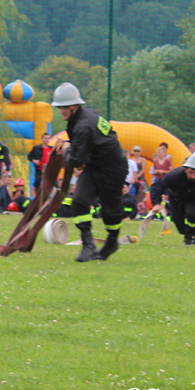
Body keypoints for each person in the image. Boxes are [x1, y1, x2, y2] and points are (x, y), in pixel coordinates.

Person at [51, 82, 128, 262]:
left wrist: (68, 149)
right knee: (79, 201)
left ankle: (112, 240)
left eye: (64, 107)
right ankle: (88, 245)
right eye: (59, 107)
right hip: (95, 166)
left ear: (74, 106)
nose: (61, 111)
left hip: (113, 168)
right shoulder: (84, 116)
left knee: (110, 210)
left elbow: (77, 161)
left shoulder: (83, 126)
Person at [150, 153, 195, 244]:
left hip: (191, 199)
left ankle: (189, 238)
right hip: (175, 199)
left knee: (192, 214)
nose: (193, 176)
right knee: (181, 228)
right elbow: (156, 187)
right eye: (191, 172)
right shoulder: (174, 176)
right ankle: (193, 231)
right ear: (185, 169)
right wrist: (156, 204)